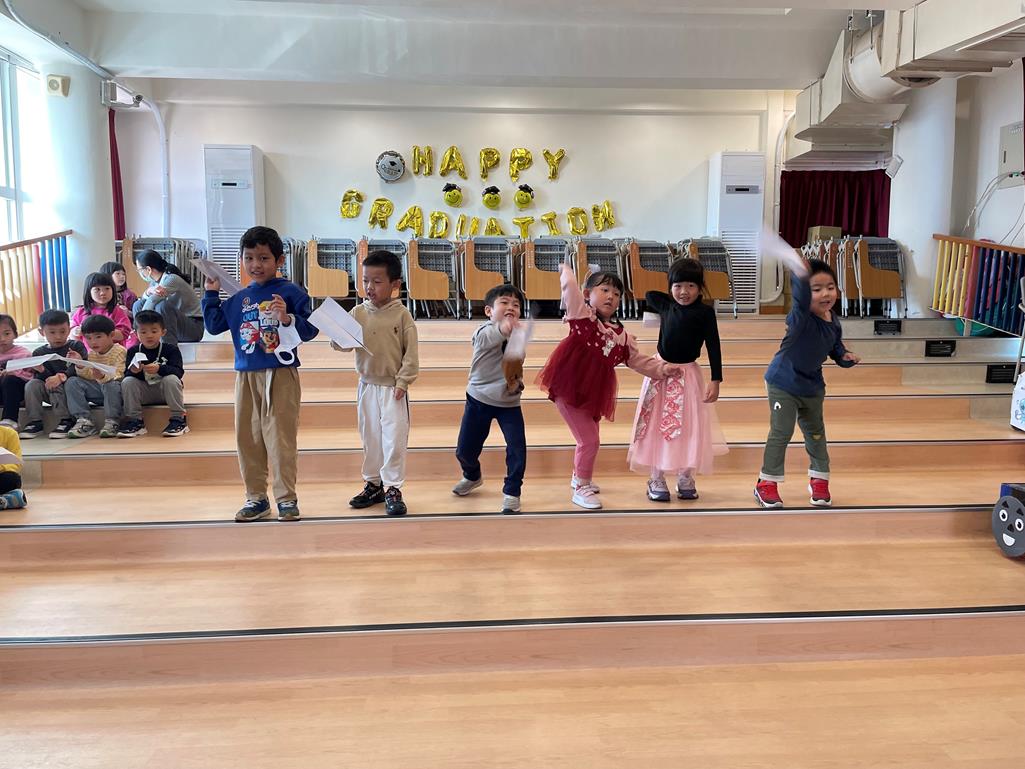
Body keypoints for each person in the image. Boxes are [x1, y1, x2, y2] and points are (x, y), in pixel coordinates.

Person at [536, 265, 683, 510]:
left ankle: (578, 476)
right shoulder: (583, 318)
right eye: (604, 290)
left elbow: (638, 361)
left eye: (616, 294)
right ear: (588, 294)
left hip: (594, 393)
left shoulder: (621, 335)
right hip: (569, 389)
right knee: (589, 440)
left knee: (590, 437)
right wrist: (566, 270)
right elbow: (570, 290)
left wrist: (662, 369)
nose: (611, 297)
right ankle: (581, 486)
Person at [202, 226, 318, 522]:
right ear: (241, 260)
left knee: (280, 438)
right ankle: (256, 497)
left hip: (281, 373)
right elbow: (214, 326)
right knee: (248, 438)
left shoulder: (291, 292)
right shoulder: (240, 298)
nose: (256, 264)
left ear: (279, 260)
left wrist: (287, 317)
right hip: (246, 376)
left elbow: (311, 329)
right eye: (249, 258)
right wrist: (210, 294)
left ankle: (286, 498)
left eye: (264, 258)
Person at [754, 257, 860, 509]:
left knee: (816, 434)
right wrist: (800, 273)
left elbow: (835, 347)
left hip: (812, 387)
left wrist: (844, 357)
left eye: (830, 287)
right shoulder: (800, 317)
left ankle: (819, 480)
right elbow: (800, 299)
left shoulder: (833, 320)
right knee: (781, 432)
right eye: (816, 289)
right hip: (783, 382)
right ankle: (766, 483)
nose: (826, 294)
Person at [627, 258, 727, 502]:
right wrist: (670, 295)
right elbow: (650, 295)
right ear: (670, 287)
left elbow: (714, 346)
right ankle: (656, 476)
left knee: (689, 424)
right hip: (660, 373)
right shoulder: (667, 305)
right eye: (678, 286)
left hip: (688, 375)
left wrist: (716, 379)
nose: (684, 292)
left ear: (700, 288)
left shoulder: (705, 313)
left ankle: (685, 475)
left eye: (691, 286)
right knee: (655, 424)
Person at [337, 250, 419, 517]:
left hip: (393, 388)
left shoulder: (402, 315)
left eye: (377, 281)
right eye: (365, 281)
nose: (369, 287)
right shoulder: (358, 312)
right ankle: (373, 484)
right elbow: (342, 344)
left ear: (395, 284)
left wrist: (403, 381)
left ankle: (392, 487)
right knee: (370, 437)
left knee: (393, 439)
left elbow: (411, 354)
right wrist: (338, 334)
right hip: (367, 386)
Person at [452, 283, 528, 514]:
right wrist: (504, 328)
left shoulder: (519, 335)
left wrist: (516, 383)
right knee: (465, 451)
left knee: (517, 449)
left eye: (516, 305)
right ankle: (472, 475)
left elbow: (514, 366)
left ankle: (512, 491)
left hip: (509, 403)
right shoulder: (483, 331)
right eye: (504, 302)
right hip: (479, 399)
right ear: (488, 311)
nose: (511, 307)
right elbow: (489, 339)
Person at [19, 309, 89, 439]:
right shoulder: (38, 352)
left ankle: (66, 420)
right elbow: (41, 379)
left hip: (71, 392)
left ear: (69, 329)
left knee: (58, 383)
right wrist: (42, 371)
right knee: (32, 384)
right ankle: (35, 421)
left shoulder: (76, 346)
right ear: (42, 332)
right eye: (52, 332)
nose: (58, 336)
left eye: (62, 331)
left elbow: (79, 369)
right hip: (49, 389)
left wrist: (61, 377)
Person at [118, 310, 188, 438]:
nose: (149, 336)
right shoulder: (133, 351)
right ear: (136, 333)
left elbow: (178, 372)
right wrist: (134, 372)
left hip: (165, 391)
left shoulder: (171, 349)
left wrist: (159, 369)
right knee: (128, 381)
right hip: (144, 393)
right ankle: (135, 421)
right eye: (143, 332)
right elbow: (127, 374)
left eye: (154, 331)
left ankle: (179, 418)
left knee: (172, 379)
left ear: (163, 332)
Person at [65, 315, 127, 439]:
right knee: (72, 381)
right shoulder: (92, 354)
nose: (93, 342)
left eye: (98, 337)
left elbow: (119, 374)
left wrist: (102, 376)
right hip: (98, 390)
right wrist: (80, 364)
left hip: (115, 392)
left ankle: (112, 421)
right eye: (88, 338)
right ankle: (84, 420)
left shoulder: (120, 351)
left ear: (111, 335)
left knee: (111, 385)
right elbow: (88, 376)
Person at [134, 249, 205, 344]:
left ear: (148, 269)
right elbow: (145, 301)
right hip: (175, 324)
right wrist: (147, 292)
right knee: (138, 304)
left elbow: (153, 301)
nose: (139, 273)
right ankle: (142, 342)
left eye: (139, 270)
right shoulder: (154, 283)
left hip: (193, 327)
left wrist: (139, 323)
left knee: (162, 306)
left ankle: (168, 347)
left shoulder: (171, 279)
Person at [71, 272, 135, 351]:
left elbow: (124, 334)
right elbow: (71, 333)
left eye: (107, 288)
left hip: (113, 354)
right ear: (89, 291)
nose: (102, 293)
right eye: (97, 289)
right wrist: (75, 332)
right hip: (88, 354)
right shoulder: (81, 312)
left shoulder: (117, 311)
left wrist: (101, 332)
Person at [0, 314, 32, 431]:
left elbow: (32, 377)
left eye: (7, 334)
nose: (2, 339)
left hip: (17, 393)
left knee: (10, 380)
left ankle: (10, 420)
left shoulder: (23, 353)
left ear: (15, 334)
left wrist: (16, 374)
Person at [0, 424, 27, 510]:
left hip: (2, 474)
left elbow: (16, 462)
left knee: (13, 479)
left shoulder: (10, 434)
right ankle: (5, 500)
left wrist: (1, 467)